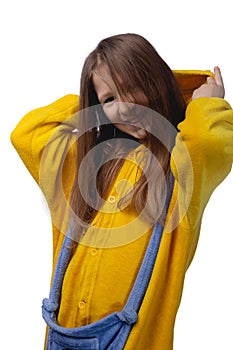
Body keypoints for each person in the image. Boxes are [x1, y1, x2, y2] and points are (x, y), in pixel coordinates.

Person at [11, 33, 233, 349]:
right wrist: (89, 104)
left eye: (133, 87)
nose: (126, 108)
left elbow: (210, 141)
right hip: (63, 335)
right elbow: (26, 134)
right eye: (109, 99)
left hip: (135, 341)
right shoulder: (85, 164)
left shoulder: (181, 168)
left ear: (154, 79)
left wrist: (203, 100)